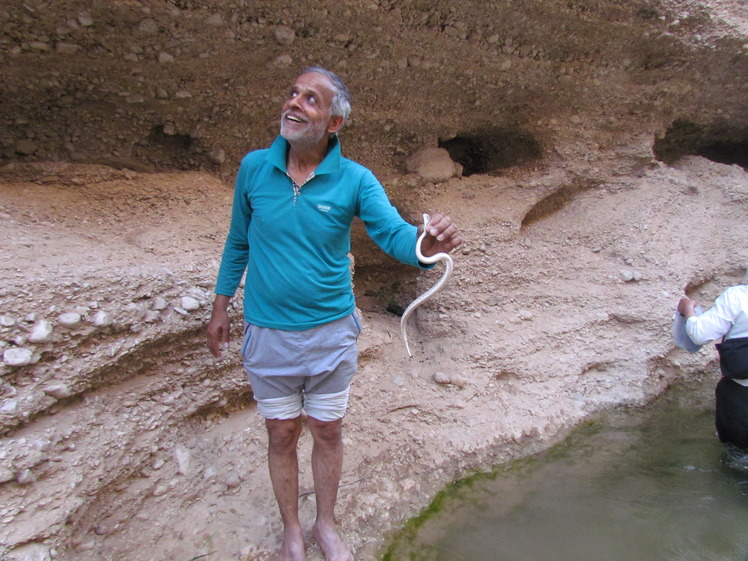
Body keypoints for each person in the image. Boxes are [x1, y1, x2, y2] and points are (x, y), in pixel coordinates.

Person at [206, 67, 461, 561]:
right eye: (293, 93)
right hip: (268, 334)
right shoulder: (254, 168)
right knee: (281, 433)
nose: (296, 103)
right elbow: (238, 241)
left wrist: (426, 242)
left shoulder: (356, 179)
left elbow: (393, 234)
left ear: (334, 123)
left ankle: (325, 526)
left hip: (332, 334)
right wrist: (221, 305)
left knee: (327, 430)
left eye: (312, 99)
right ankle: (292, 534)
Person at [677, 270, 748, 449]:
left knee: (737, 455)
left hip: (741, 392)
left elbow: (700, 335)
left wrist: (688, 311)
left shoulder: (737, 297)